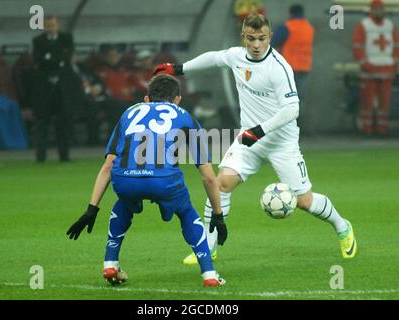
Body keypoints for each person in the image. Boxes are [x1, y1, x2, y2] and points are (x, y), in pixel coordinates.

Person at [153, 13, 357, 265]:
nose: (257, 44)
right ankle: (209, 245)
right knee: (221, 183)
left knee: (304, 201)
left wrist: (259, 131)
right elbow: (215, 58)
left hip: (281, 142)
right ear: (244, 38)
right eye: (251, 39)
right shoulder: (237, 56)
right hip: (248, 139)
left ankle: (342, 225)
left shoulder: (279, 68)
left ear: (270, 37)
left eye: (262, 38)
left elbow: (292, 110)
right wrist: (179, 69)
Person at [66, 74, 227, 287]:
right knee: (186, 211)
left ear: (146, 99)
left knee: (123, 204)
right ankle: (209, 275)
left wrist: (91, 209)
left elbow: (108, 166)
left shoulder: (128, 113)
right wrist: (217, 215)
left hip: (125, 180)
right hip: (164, 180)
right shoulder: (186, 116)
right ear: (178, 99)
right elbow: (207, 176)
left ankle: (110, 263)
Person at [31, 15, 80, 162]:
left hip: (62, 89)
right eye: (47, 25)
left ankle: (64, 156)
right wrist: (57, 60)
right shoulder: (38, 41)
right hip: (45, 90)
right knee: (42, 123)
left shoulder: (67, 38)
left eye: (52, 25)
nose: (50, 28)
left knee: (63, 123)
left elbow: (67, 56)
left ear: (57, 25)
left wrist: (50, 58)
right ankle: (40, 157)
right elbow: (39, 60)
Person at [353, 0, 399, 135]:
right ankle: (366, 129)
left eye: (381, 9)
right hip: (370, 70)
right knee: (367, 101)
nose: (379, 11)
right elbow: (357, 46)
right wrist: (365, 64)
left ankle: (382, 129)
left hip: (387, 69)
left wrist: (395, 64)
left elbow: (396, 47)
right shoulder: (364, 25)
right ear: (371, 10)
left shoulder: (390, 26)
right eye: (376, 9)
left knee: (385, 102)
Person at [272, 4, 314, 127]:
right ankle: (298, 126)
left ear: (290, 13)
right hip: (304, 66)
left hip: (289, 67)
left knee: (284, 98)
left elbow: (273, 42)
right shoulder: (309, 27)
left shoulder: (288, 27)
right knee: (298, 98)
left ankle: (285, 127)